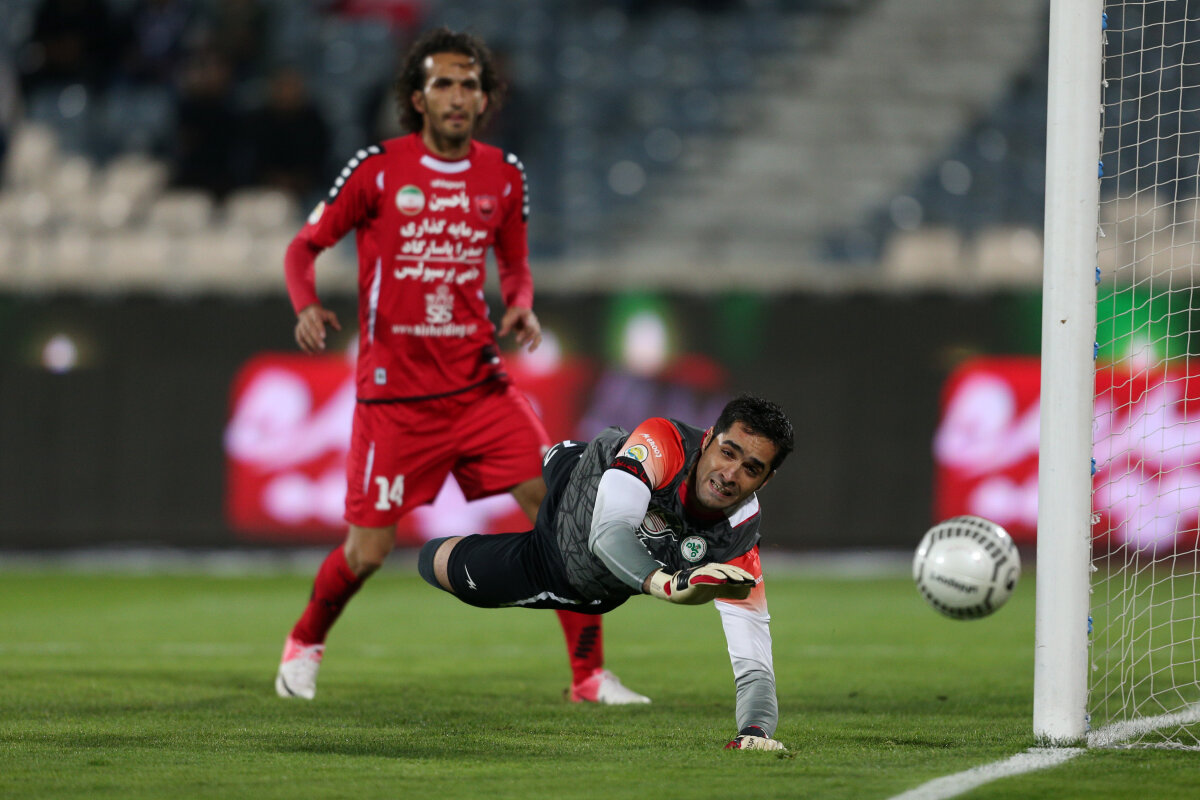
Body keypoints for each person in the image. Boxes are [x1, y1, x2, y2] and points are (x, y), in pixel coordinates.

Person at [275, 27, 649, 706]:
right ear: (417, 98)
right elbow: (303, 248)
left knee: (566, 517)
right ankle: (304, 642)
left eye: (468, 84)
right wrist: (305, 305)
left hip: (481, 388)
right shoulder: (376, 169)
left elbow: (515, 263)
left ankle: (589, 675)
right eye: (442, 83)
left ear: (485, 98)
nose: (456, 95)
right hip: (395, 400)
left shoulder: (502, 174)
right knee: (366, 553)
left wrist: (522, 304)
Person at [419, 394, 794, 751]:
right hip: (567, 529)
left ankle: (587, 677)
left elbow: (754, 664)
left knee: (444, 555)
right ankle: (456, 425)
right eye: (728, 452)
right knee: (440, 559)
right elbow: (609, 532)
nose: (730, 474)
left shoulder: (738, 538)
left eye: (751, 469)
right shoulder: (667, 442)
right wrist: (665, 584)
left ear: (766, 480)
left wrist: (755, 730)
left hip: (575, 545)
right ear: (708, 438)